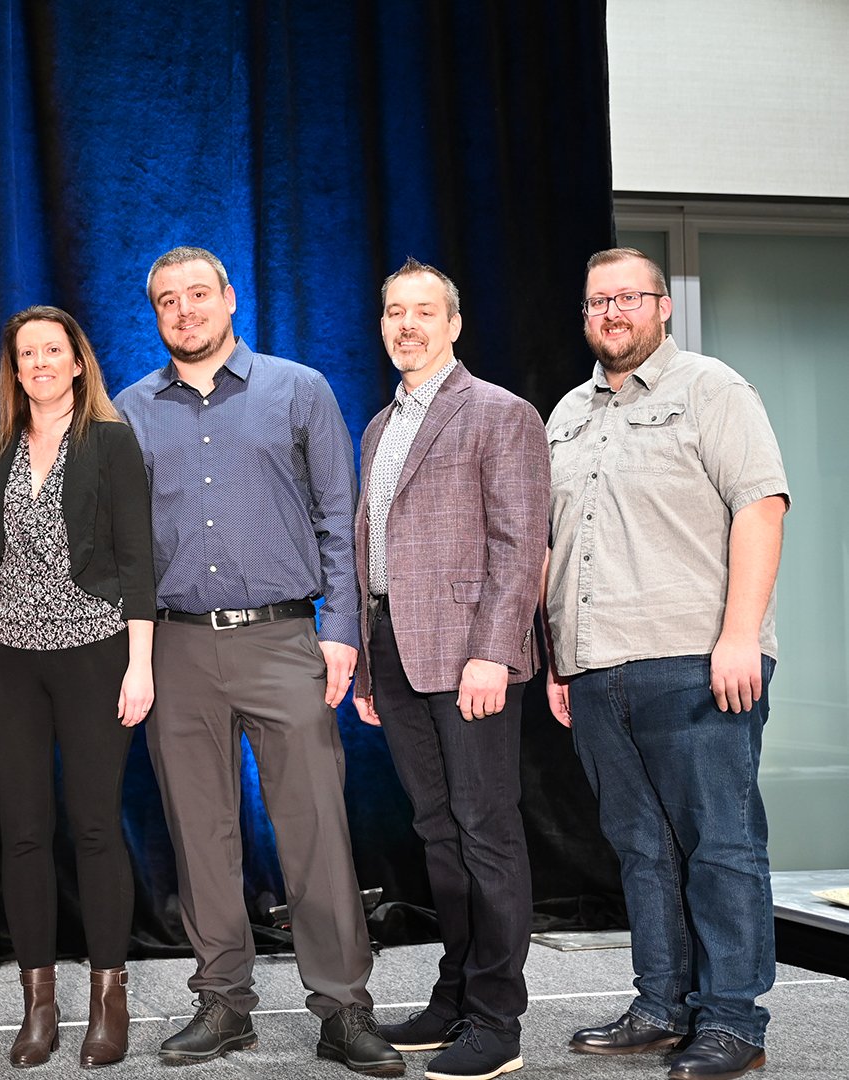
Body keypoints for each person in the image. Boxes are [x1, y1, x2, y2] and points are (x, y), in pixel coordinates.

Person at [113, 246, 403, 1076]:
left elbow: (338, 517)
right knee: (200, 834)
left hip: (284, 639)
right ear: (156, 313)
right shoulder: (130, 411)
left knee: (314, 827)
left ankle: (344, 1009)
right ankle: (223, 1003)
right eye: (168, 300)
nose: (185, 310)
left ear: (229, 297)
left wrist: (341, 630)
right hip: (175, 647)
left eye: (198, 294)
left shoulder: (298, 389)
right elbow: (124, 549)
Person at [544, 248, 788, 1080]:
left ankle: (732, 1022)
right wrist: (555, 657)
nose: (610, 314)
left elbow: (761, 507)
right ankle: (661, 1005)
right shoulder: (567, 413)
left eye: (627, 299)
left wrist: (740, 635)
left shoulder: (712, 389)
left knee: (720, 846)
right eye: (595, 303)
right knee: (641, 849)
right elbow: (556, 546)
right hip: (594, 664)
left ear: (662, 307)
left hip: (695, 656)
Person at [351, 258, 549, 1080]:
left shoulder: (500, 414)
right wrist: (368, 667)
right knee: (437, 832)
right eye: (395, 311)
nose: (407, 325)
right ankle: (455, 992)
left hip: (470, 656)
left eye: (423, 311)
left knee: (486, 831)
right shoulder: (378, 425)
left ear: (453, 324)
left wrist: (493, 653)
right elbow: (375, 550)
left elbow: (519, 544)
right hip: (395, 651)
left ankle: (497, 1019)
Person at [0, 306, 155, 1069]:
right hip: (5, 657)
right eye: (25, 352)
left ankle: (110, 998)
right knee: (24, 830)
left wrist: (141, 663)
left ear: (77, 363)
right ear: (15, 369)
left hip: (96, 651)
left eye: (52, 351)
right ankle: (40, 1005)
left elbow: (138, 559)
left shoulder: (111, 440)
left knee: (96, 824)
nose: (38, 362)